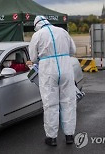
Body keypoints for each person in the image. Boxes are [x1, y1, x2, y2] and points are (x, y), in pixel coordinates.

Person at [27, 15, 76, 146]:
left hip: (48, 70)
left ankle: (52, 138)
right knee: (69, 102)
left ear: (36, 25)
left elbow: (33, 57)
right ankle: (69, 135)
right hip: (66, 67)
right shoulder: (62, 31)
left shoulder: (37, 35)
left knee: (50, 104)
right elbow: (73, 50)